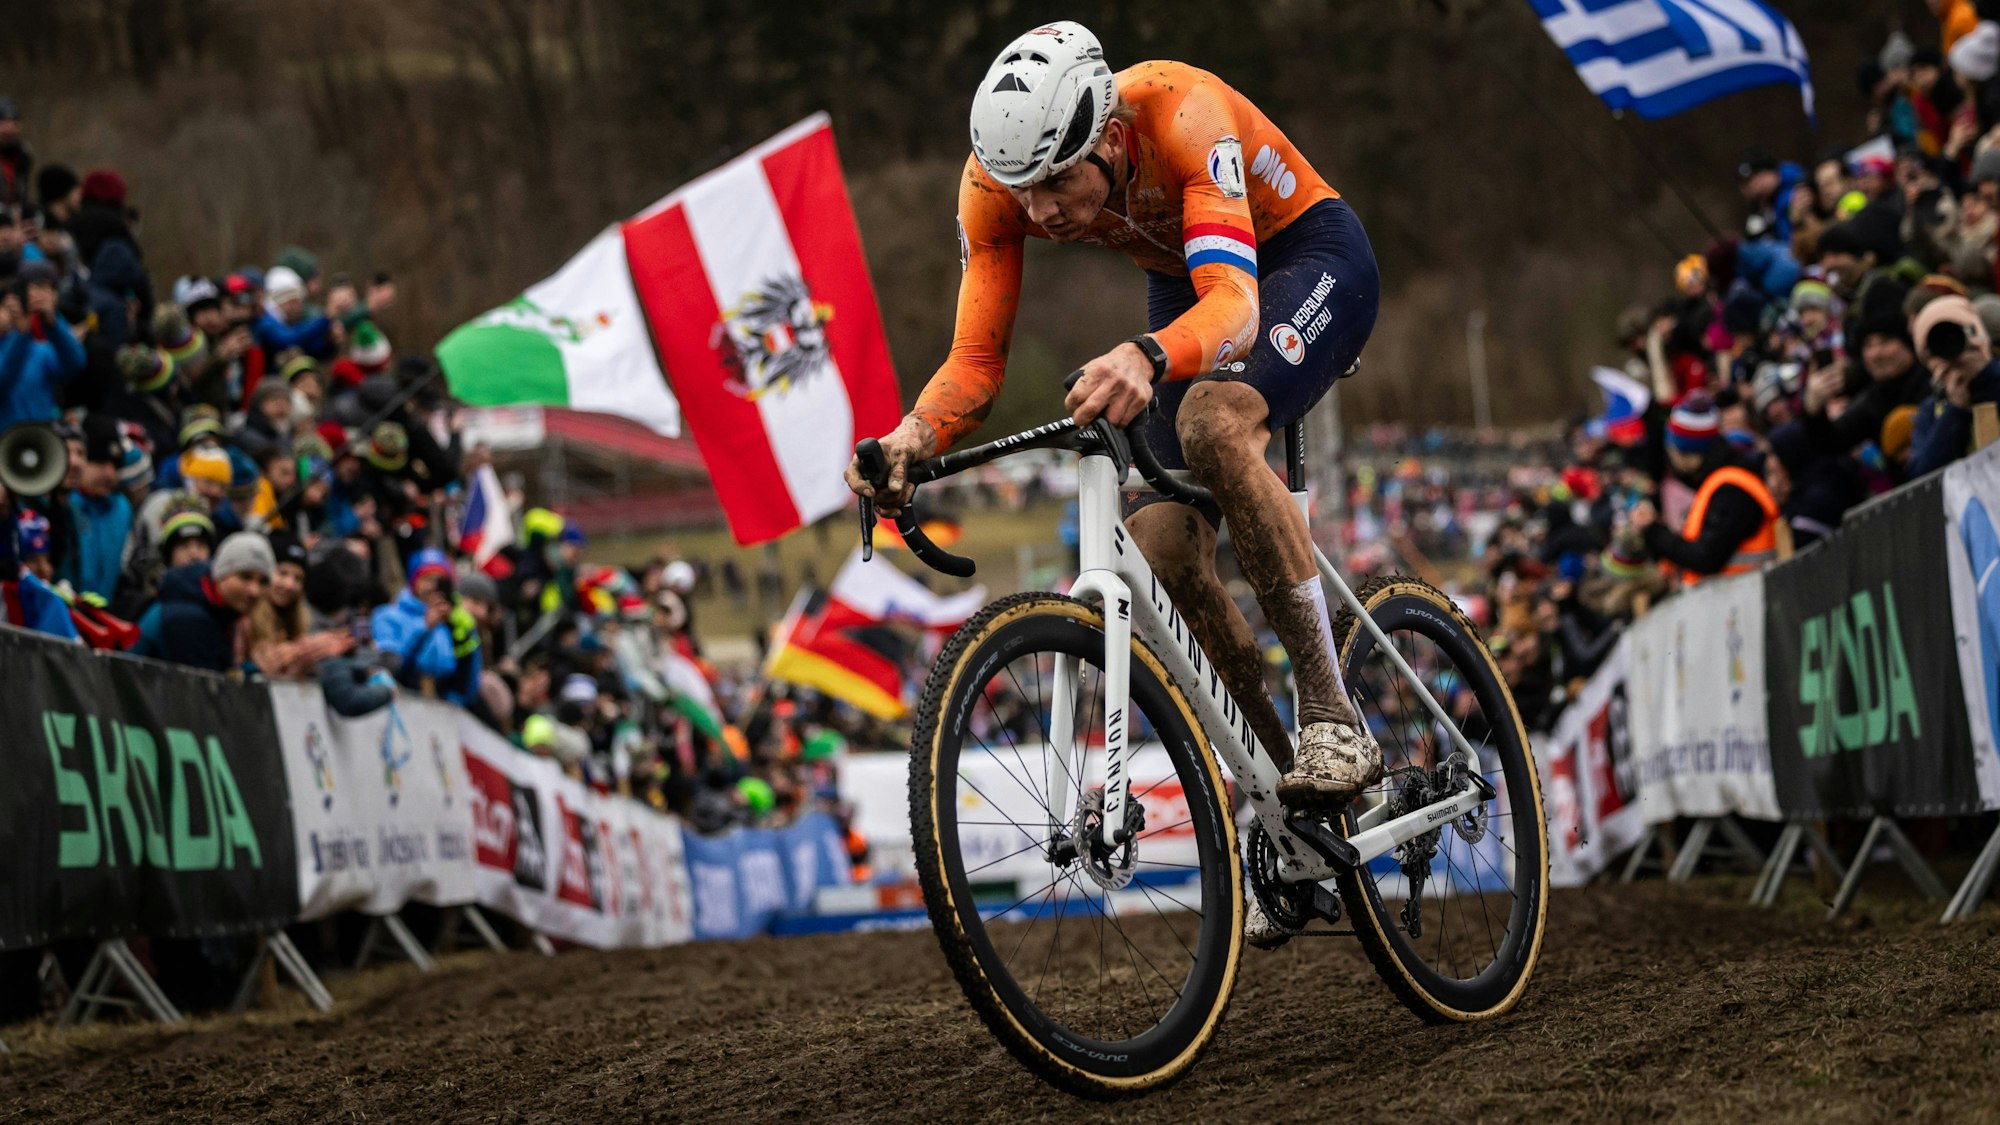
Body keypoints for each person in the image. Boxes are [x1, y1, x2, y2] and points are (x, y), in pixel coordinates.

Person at [847, 22, 1384, 827]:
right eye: (1022, 190)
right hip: (1186, 275)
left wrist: (1144, 356)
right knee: (1161, 548)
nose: (1039, 210)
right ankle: (1279, 795)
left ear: (1108, 134)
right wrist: (910, 437)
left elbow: (1236, 311)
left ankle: (1333, 717)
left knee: (1211, 420)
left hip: (1304, 256)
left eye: (1056, 184)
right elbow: (975, 364)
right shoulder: (997, 186)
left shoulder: (1182, 112)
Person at [1631, 393, 1783, 584]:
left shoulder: (1730, 489)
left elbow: (1706, 557)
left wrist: (1653, 531)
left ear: (1687, 453)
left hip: (1749, 594)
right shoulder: (1719, 480)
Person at [132, 531, 273, 672]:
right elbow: (201, 687)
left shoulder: (221, 610)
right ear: (221, 575)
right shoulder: (189, 617)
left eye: (263, 581)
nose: (255, 591)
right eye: (245, 577)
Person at [1908, 293, 2000, 475]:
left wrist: (1986, 376)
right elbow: (1923, 477)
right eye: (1935, 350)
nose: (1949, 355)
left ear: (1977, 339)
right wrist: (1956, 410)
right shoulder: (1930, 412)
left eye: (1954, 340)